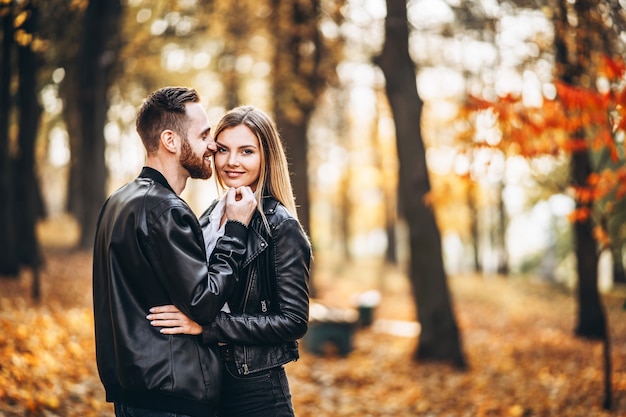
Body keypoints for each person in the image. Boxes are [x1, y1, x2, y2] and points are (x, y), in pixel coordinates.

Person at [92, 87, 257, 417]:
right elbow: (204, 302)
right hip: (172, 396)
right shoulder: (166, 209)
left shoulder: (118, 202)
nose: (212, 146)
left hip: (134, 393)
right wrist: (235, 231)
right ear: (170, 140)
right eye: (204, 135)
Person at [147, 105, 312, 417]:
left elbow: (293, 321)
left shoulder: (280, 225)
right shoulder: (210, 214)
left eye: (246, 151)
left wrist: (206, 328)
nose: (231, 161)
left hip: (256, 386)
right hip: (205, 378)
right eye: (223, 150)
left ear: (266, 157)